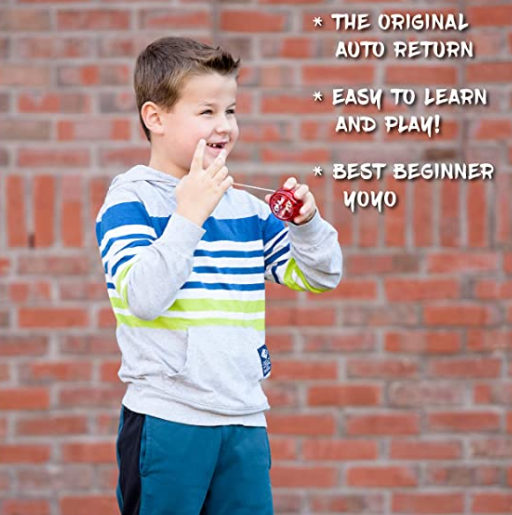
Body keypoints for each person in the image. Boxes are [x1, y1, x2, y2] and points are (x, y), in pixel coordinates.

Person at [95, 36, 342, 515]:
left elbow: (320, 276)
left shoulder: (246, 209)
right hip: (168, 419)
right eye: (206, 111)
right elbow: (142, 298)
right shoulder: (130, 200)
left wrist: (308, 226)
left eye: (230, 110)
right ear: (155, 118)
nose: (224, 125)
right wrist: (188, 217)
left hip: (244, 419)